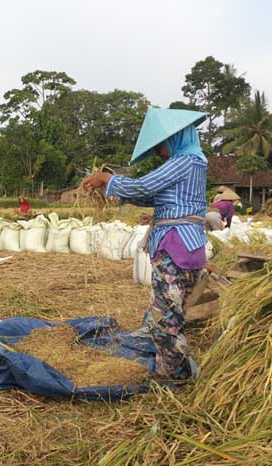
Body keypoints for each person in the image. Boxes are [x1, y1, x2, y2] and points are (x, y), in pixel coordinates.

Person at [81, 108, 208, 380]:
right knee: (170, 313)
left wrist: (107, 179)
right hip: (189, 246)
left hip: (176, 247)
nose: (160, 150)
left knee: (166, 321)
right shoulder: (195, 163)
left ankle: (175, 374)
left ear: (176, 138)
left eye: (162, 144)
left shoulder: (184, 161)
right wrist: (112, 190)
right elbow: (153, 197)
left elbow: (143, 187)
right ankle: (171, 367)